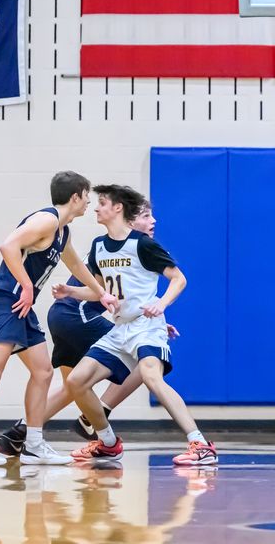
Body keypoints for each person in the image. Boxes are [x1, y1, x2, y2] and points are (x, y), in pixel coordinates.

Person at [0, 171, 118, 467]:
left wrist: (100, 293)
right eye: (87, 197)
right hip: (7, 298)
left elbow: (76, 265)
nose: (88, 204)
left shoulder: (62, 230)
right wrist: (27, 286)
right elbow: (8, 247)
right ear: (75, 196)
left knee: (43, 372)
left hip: (21, 305)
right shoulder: (47, 220)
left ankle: (34, 445)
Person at [0, 198, 179, 457]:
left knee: (75, 387)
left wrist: (152, 319)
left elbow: (124, 297)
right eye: (146, 216)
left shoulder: (126, 248)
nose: (153, 221)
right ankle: (98, 414)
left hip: (63, 315)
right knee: (143, 357)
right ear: (128, 219)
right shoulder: (119, 247)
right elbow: (105, 293)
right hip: (75, 313)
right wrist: (147, 326)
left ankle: (18, 433)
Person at [62, 184, 217, 466]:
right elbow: (101, 291)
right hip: (120, 329)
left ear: (118, 208)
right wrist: (72, 292)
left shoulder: (142, 244)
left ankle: (200, 444)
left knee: (151, 376)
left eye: (103, 203)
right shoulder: (98, 246)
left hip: (147, 325)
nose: (96, 208)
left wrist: (161, 304)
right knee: (76, 381)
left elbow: (179, 279)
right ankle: (108, 443)